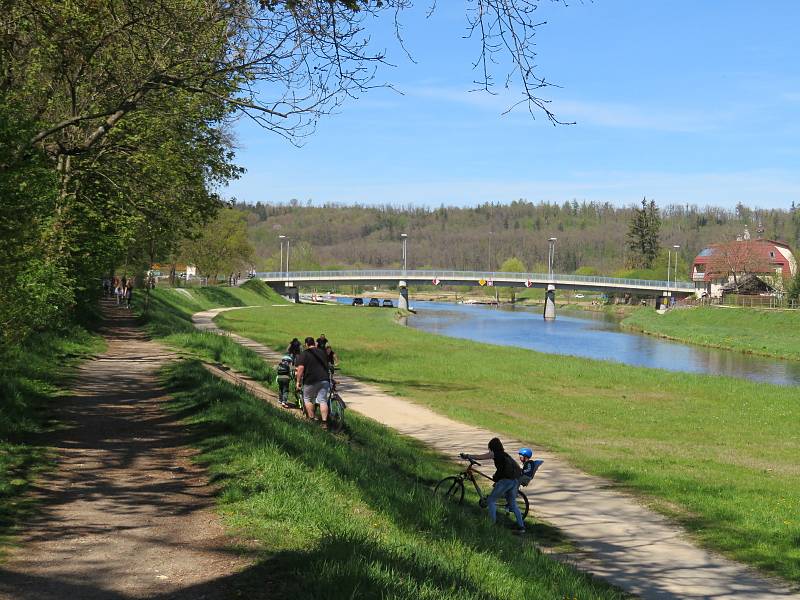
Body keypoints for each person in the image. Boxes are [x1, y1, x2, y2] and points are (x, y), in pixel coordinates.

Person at [460, 437, 525, 534]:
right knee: (513, 504)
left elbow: (482, 457)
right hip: (514, 481)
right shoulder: (504, 454)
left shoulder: (496, 453)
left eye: (489, 448)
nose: (489, 450)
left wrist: (467, 455)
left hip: (505, 481)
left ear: (492, 447)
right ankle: (521, 527)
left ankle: (492, 525)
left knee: (491, 500)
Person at [295, 337, 331, 427]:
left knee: (307, 398)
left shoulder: (305, 353)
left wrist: (298, 381)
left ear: (306, 344)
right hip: (324, 379)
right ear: (315, 343)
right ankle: (324, 423)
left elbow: (300, 368)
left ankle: (311, 420)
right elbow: (328, 365)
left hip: (311, 380)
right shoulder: (322, 352)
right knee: (323, 400)